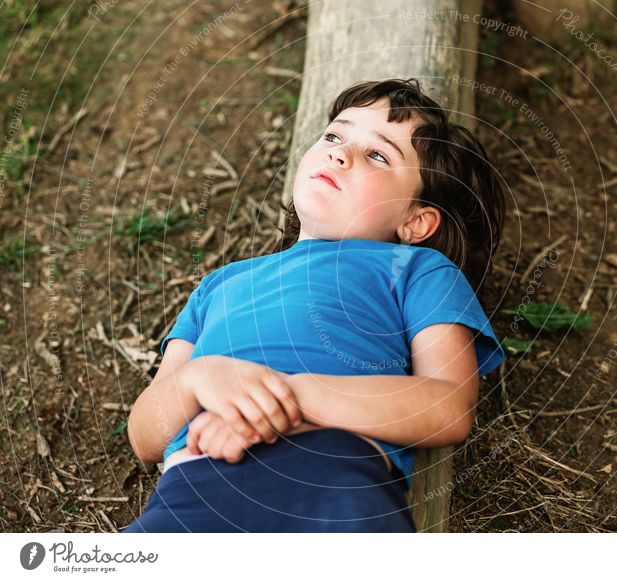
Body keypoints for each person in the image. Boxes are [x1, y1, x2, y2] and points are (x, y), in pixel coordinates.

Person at [123, 78, 506, 532]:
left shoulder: (418, 269)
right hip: (195, 483)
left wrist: (288, 398)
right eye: (334, 136)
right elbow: (145, 437)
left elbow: (447, 407)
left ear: (415, 220)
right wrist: (196, 381)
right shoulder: (220, 285)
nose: (340, 153)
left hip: (331, 476)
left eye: (378, 154)